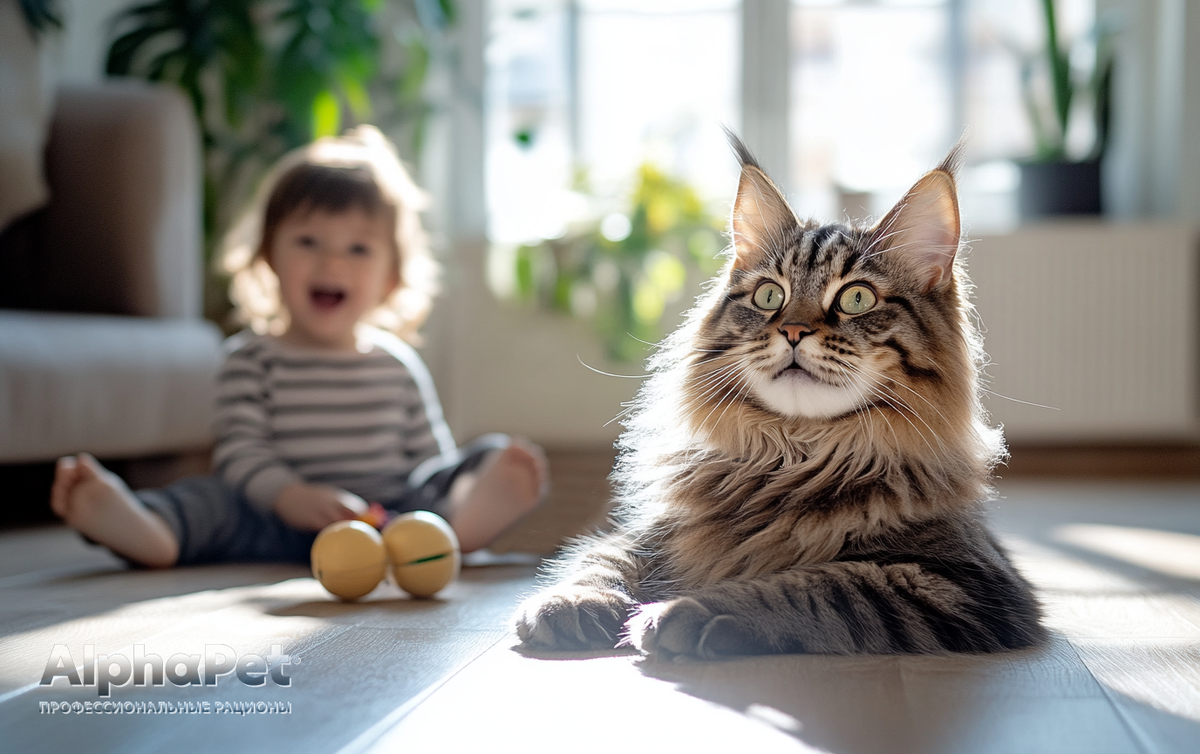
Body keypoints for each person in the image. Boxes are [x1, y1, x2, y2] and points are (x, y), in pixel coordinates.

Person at [50, 125, 547, 568]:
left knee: (472, 465)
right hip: (274, 520)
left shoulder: (398, 365)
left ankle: (444, 535)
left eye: (358, 248)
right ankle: (148, 529)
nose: (332, 262)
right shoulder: (251, 359)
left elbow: (428, 461)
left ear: (390, 278)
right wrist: (289, 495)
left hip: (387, 521)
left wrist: (446, 492)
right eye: (308, 241)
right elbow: (241, 453)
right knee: (209, 501)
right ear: (269, 256)